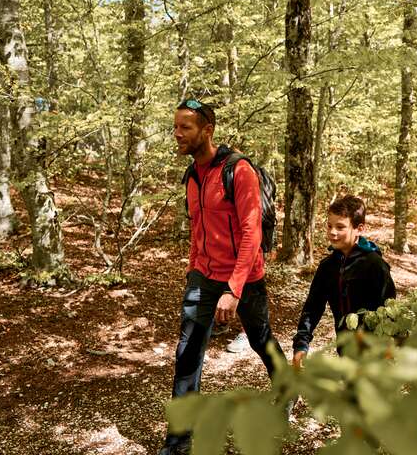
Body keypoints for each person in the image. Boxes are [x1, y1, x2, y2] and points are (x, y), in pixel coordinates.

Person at [159, 99, 286, 455]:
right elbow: (197, 230)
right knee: (187, 354)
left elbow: (252, 232)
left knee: (261, 340)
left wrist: (234, 288)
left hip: (244, 278)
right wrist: (193, 271)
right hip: (203, 277)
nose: (177, 134)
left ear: (207, 130)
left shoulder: (239, 170)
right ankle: (178, 441)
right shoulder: (192, 176)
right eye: (175, 126)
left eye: (185, 127)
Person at [292, 195, 396, 369]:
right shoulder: (327, 267)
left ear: (359, 228)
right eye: (329, 226)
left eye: (340, 227)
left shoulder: (374, 265)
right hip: (345, 349)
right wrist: (301, 343)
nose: (332, 232)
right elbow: (313, 307)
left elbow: (390, 309)